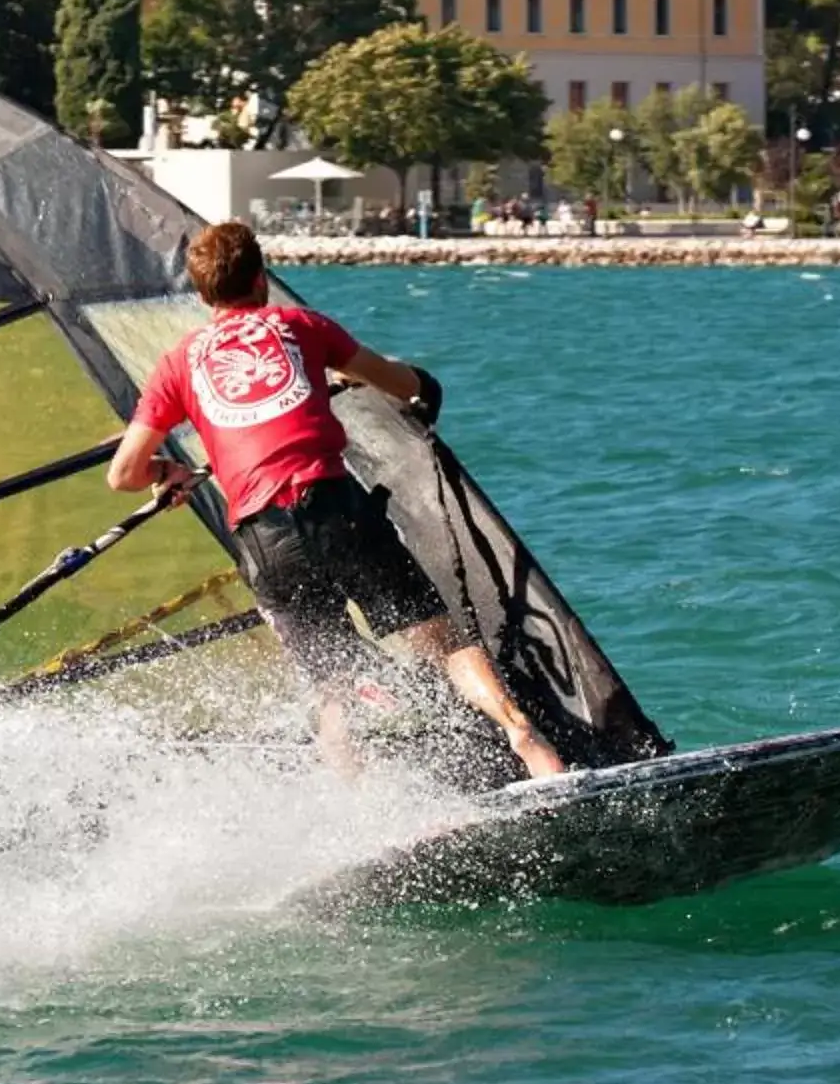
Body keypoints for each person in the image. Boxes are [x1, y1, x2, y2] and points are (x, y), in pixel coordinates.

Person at [108, 221, 568, 781]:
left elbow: (124, 474)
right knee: (444, 644)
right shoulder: (300, 326)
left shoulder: (177, 363)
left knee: (331, 689)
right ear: (260, 279)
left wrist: (167, 470)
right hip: (336, 512)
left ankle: (359, 811)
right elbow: (400, 384)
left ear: (203, 296)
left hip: (264, 539)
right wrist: (421, 381)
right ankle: (522, 734)